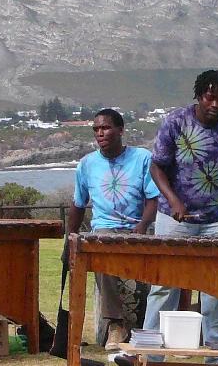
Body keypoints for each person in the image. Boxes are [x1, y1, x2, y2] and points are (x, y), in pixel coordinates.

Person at [140, 70, 218, 364]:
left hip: (217, 220)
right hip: (173, 218)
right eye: (210, 97)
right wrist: (174, 200)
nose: (216, 104)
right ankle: (149, 354)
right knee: (163, 285)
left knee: (214, 289)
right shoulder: (175, 121)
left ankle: (217, 356)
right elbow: (157, 168)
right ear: (199, 95)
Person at [67, 108, 159, 350]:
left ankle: (151, 327)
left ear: (120, 130)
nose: (100, 133)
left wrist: (142, 226)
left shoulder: (142, 158)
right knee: (101, 247)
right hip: (104, 230)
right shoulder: (87, 164)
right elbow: (78, 205)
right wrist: (69, 239)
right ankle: (115, 324)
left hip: (136, 228)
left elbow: (153, 199)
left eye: (105, 128)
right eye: (96, 129)